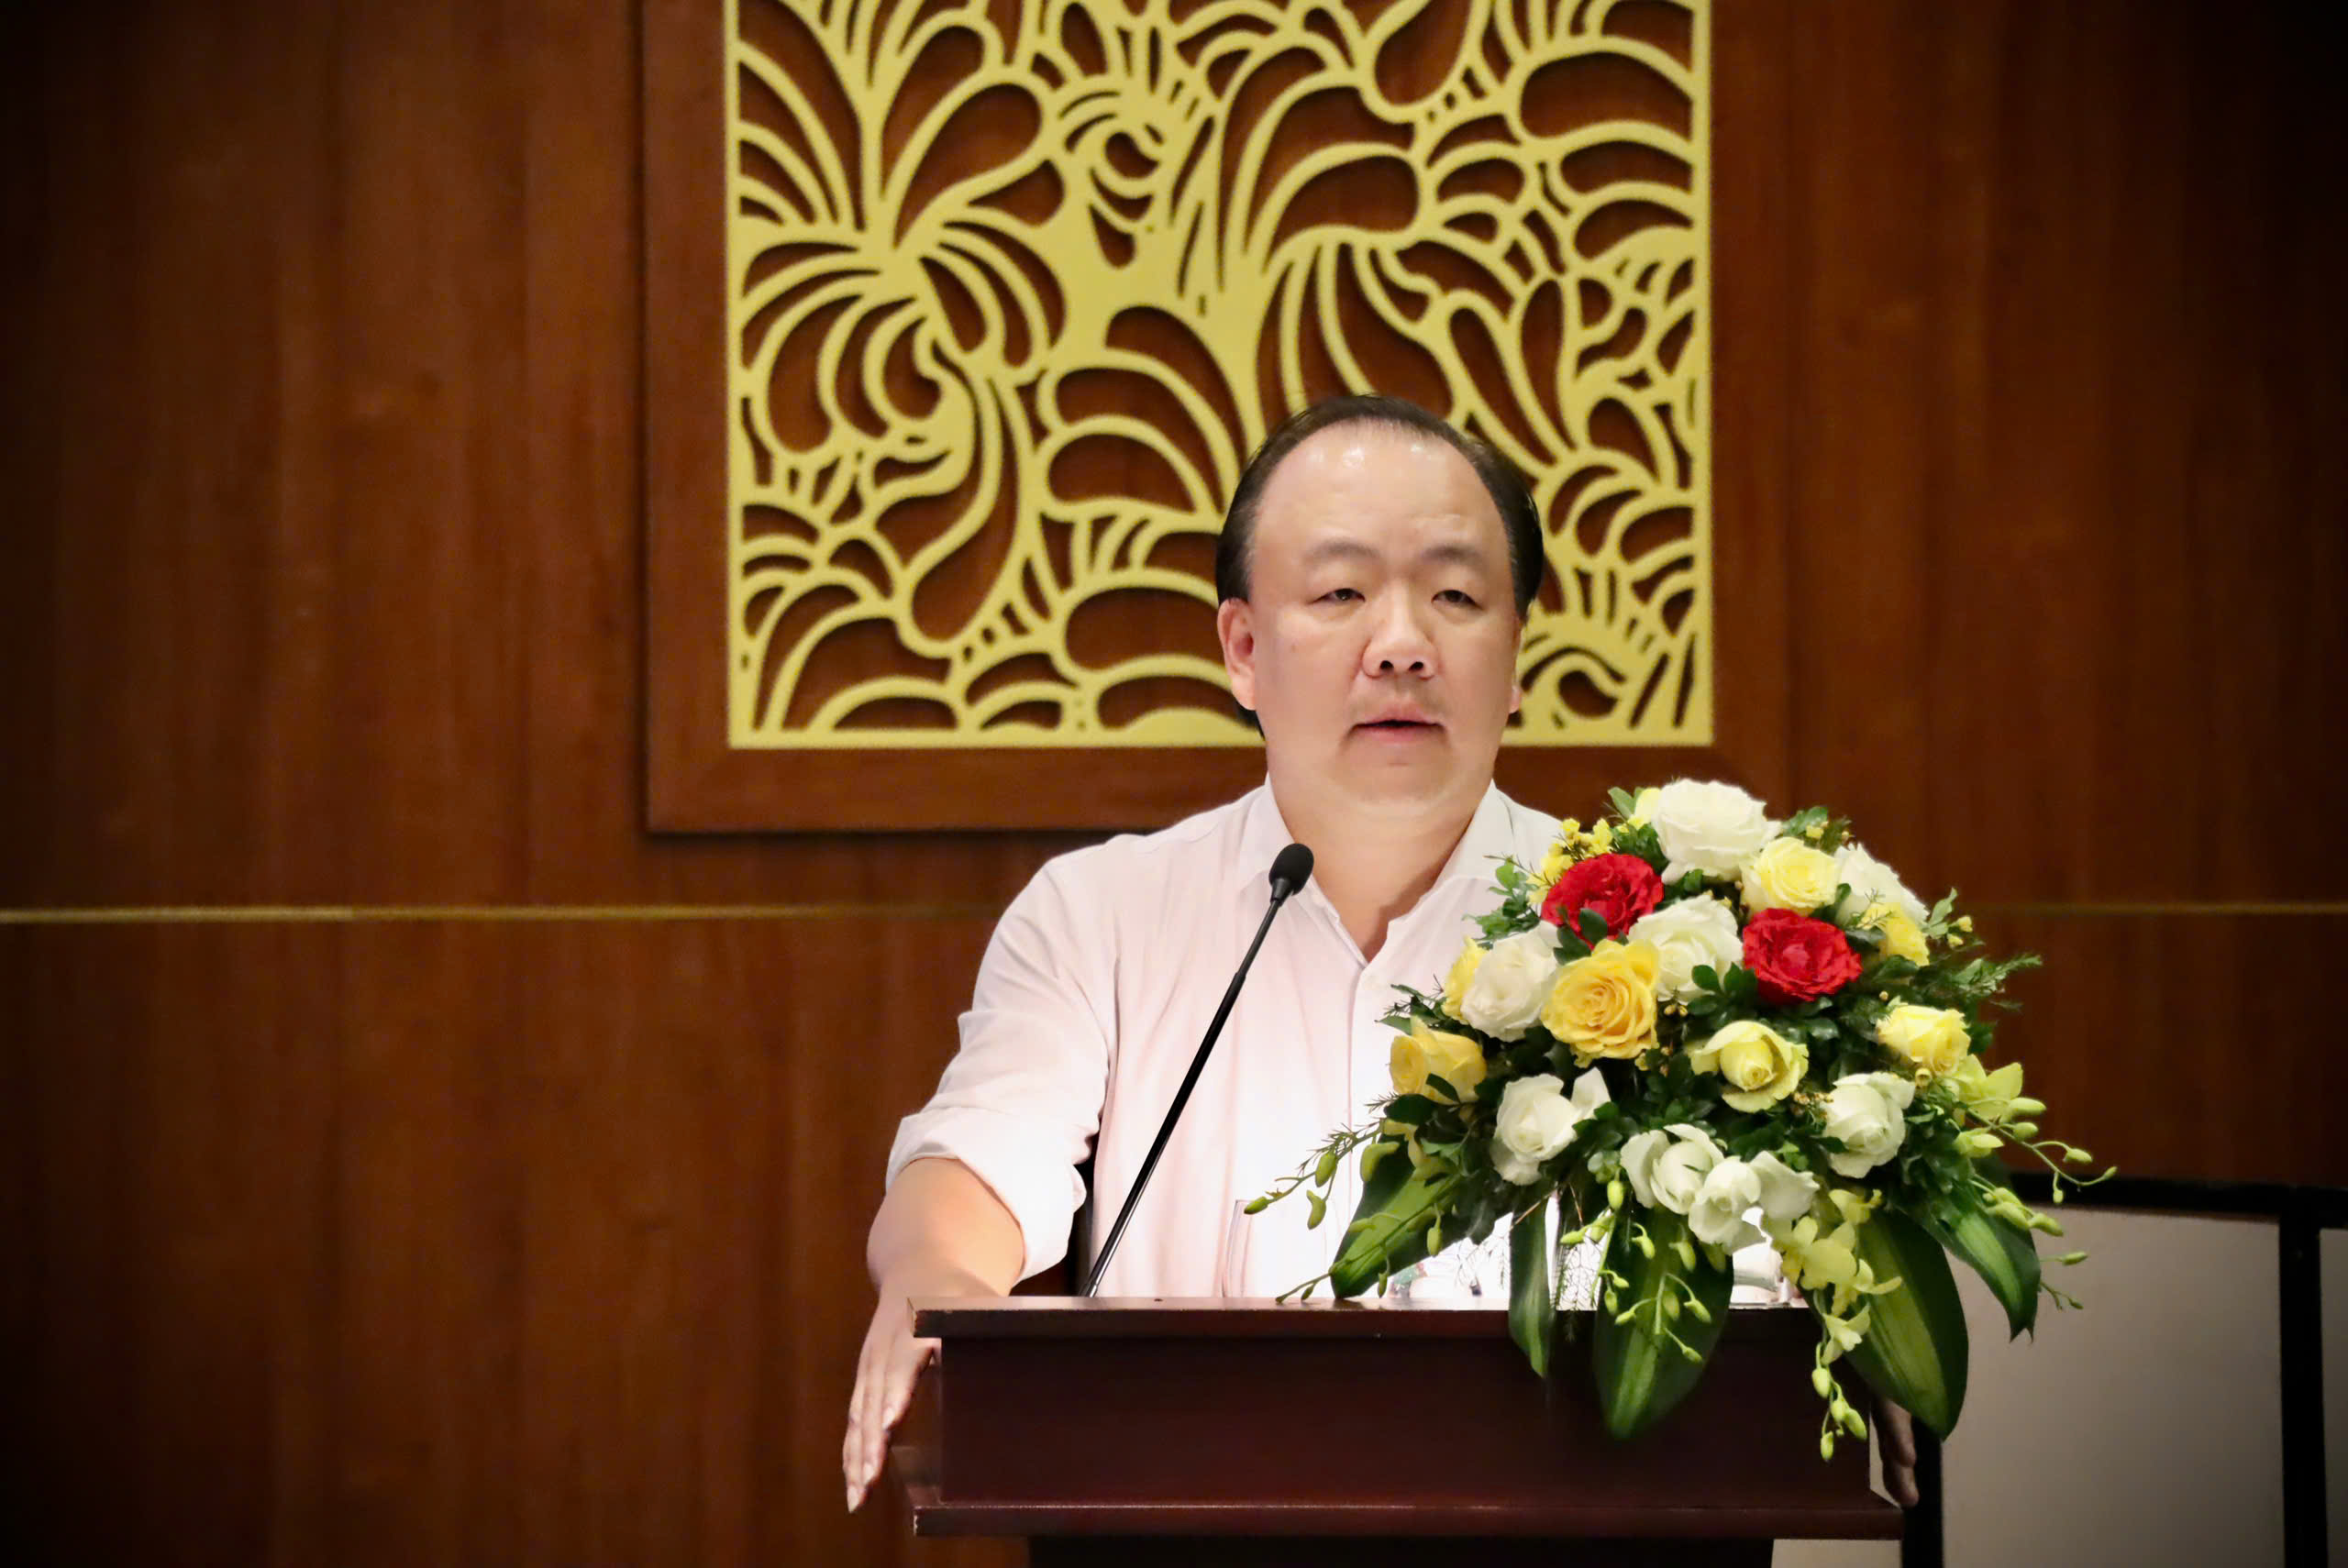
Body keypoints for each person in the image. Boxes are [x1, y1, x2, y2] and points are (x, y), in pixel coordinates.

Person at [838, 396, 1917, 1511]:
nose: (1401, 645)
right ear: (1243, 649)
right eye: (1341, 593)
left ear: (1515, 653)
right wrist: (934, 1279)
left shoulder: (1660, 934)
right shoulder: (1102, 916)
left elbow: (1771, 1257)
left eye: (1454, 597)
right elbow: (978, 1162)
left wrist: (1855, 1309)